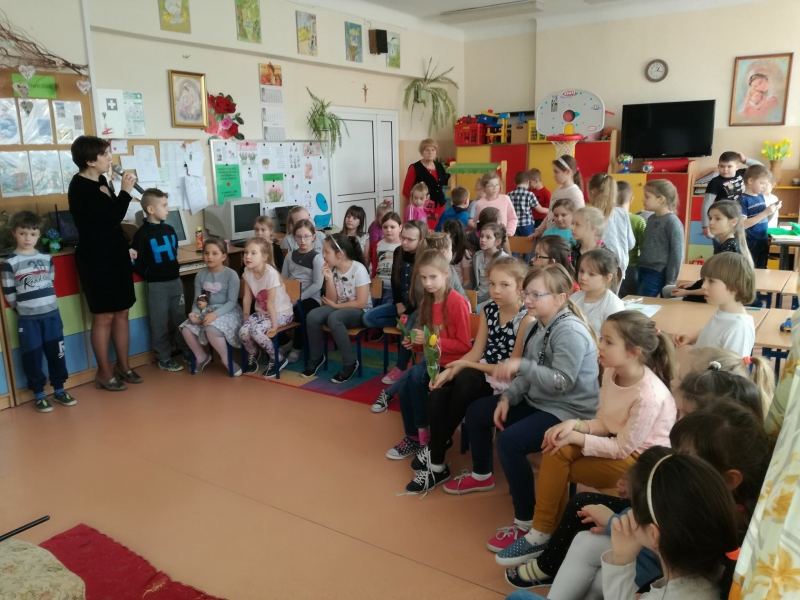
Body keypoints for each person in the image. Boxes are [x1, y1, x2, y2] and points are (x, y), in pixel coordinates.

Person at [506, 354, 772, 591]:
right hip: (644, 533)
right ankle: (546, 552)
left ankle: (546, 557)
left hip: (649, 561)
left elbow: (663, 537)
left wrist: (614, 522)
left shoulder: (711, 501)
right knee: (574, 488)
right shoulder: (704, 463)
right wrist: (636, 487)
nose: (677, 419)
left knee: (591, 554)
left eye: (684, 413)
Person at [444, 265, 599, 557]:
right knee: (478, 412)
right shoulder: (537, 325)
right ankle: (482, 474)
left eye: (536, 294)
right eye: (526, 293)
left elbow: (562, 382)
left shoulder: (569, 331)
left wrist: (522, 366)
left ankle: (526, 522)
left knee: (510, 442)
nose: (527, 299)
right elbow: (527, 374)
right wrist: (508, 398)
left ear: (560, 298)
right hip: (540, 400)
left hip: (568, 411)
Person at [501, 311, 676, 567]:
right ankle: (544, 533)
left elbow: (622, 448)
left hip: (641, 461)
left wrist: (578, 436)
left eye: (608, 341)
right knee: (556, 448)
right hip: (618, 443)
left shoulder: (648, 395)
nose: (599, 346)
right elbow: (605, 422)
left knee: (559, 466)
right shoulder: (611, 372)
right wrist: (576, 424)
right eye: (601, 339)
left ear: (633, 352)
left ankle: (544, 534)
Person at [406, 257, 532, 494]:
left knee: (466, 380)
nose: (496, 290)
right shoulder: (489, 309)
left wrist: (462, 366)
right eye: (492, 284)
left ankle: (435, 448)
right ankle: (437, 466)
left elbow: (510, 369)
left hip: (505, 379)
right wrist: (451, 369)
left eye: (504, 285)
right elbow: (476, 351)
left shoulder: (526, 318)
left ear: (520, 287)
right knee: (437, 394)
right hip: (481, 370)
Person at [600, 448, 740, 600]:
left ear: (654, 534)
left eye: (634, 507)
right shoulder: (717, 573)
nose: (630, 512)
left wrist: (621, 558)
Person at [68, 135, 142, 392]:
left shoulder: (101, 180)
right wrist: (125, 192)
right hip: (95, 258)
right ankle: (104, 372)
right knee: (104, 315)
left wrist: (126, 245)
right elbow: (109, 219)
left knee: (122, 311)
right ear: (90, 160)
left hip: (115, 253)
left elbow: (113, 226)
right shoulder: (80, 187)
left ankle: (124, 365)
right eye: (105, 154)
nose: (110, 158)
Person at [386, 250, 472, 462]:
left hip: (454, 366)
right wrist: (414, 343)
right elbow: (425, 344)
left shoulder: (457, 302)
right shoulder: (426, 302)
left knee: (414, 376)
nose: (428, 283)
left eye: (433, 277)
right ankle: (414, 437)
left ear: (446, 273)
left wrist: (430, 340)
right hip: (434, 363)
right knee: (405, 384)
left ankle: (424, 437)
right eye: (423, 278)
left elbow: (464, 346)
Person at [0, 211, 73, 412]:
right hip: (28, 320)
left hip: (52, 317)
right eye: (23, 233)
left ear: (39, 235)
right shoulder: (10, 263)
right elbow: (9, 292)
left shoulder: (46, 258)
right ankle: (39, 394)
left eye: (32, 234)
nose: (27, 238)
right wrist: (22, 309)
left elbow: (51, 280)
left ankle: (59, 389)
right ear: (14, 233)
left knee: (57, 354)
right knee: (32, 357)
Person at [130, 188, 187, 373]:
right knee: (159, 322)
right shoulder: (142, 234)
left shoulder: (169, 229)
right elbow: (135, 261)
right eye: (164, 205)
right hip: (157, 286)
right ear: (151, 209)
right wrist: (149, 272)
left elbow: (174, 251)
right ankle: (164, 357)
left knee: (181, 319)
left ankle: (186, 350)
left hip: (175, 282)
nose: (167, 209)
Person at [302, 233, 372, 383]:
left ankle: (350, 363)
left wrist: (336, 306)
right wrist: (328, 278)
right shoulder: (333, 269)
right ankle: (316, 357)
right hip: (339, 306)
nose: (323, 255)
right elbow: (332, 299)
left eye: (327, 252)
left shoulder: (359, 269)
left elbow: (361, 303)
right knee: (313, 316)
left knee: (334, 318)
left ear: (340, 254)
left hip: (360, 311)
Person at [363, 220, 426, 384]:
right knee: (369, 318)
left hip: (418, 308)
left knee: (407, 330)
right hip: (401, 305)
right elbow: (394, 279)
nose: (404, 242)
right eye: (403, 237)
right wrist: (398, 303)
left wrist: (406, 314)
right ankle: (402, 323)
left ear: (421, 240)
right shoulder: (398, 251)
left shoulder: (425, 257)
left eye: (410, 239)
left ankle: (401, 367)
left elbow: (422, 294)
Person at [180, 239, 244, 376]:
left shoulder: (231, 275)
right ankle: (202, 357)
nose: (209, 257)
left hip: (227, 311)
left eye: (215, 253)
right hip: (206, 310)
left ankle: (226, 360)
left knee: (211, 328)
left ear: (223, 256)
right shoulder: (200, 275)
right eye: (206, 253)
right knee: (186, 329)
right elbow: (197, 299)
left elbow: (231, 302)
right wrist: (194, 312)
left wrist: (215, 315)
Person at [673, 252, 756, 356]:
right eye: (704, 280)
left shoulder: (739, 329)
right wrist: (692, 337)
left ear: (735, 287)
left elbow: (733, 366)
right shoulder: (724, 313)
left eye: (711, 281)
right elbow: (715, 331)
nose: (703, 286)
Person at [670, 200, 752, 302]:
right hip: (710, 293)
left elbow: (718, 286)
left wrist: (687, 292)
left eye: (717, 218)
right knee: (668, 290)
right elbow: (714, 278)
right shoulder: (725, 244)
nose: (711, 222)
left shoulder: (729, 248)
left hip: (714, 299)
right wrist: (695, 283)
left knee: (669, 296)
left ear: (733, 222)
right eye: (710, 218)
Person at [239, 238, 293, 378]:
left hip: (281, 313)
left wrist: (274, 326)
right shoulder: (247, 271)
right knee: (243, 331)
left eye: (253, 253)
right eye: (246, 252)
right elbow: (247, 298)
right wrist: (246, 319)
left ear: (264, 257)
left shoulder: (271, 274)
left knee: (256, 331)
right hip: (263, 313)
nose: (248, 256)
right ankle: (253, 353)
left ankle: (278, 358)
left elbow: (271, 303)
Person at [281, 219, 324, 364]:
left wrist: (298, 298)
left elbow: (317, 285)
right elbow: (284, 279)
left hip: (311, 298)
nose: (302, 240)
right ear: (294, 237)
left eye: (306, 236)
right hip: (290, 296)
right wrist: (285, 298)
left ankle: (297, 347)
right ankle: (285, 342)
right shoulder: (289, 256)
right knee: (271, 309)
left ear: (313, 237)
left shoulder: (317, 257)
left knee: (302, 312)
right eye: (299, 237)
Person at [637, 180, 684, 297]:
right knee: (640, 300)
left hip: (657, 272)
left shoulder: (672, 222)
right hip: (643, 268)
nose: (643, 200)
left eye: (647, 196)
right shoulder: (651, 218)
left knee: (644, 302)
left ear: (661, 199)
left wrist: (671, 281)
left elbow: (677, 254)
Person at [701, 151, 762, 240]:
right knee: (724, 244)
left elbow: (760, 168)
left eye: (729, 166)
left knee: (740, 244)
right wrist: (705, 225)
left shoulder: (742, 173)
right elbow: (707, 204)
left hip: (742, 216)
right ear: (718, 166)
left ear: (737, 167)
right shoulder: (715, 182)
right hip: (725, 218)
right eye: (722, 166)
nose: (725, 169)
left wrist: (745, 160)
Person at [586, 173, 634, 283]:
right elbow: (631, 243)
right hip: (620, 266)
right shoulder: (622, 212)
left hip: (598, 265)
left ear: (592, 193)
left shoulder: (590, 215)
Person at [571, 249, 624, 338]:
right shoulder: (574, 298)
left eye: (591, 274)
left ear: (607, 278)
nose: (583, 277)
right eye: (581, 271)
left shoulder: (612, 304)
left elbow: (615, 338)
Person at [401, 138, 450, 231]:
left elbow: (442, 185)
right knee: (424, 233)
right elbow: (406, 191)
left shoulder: (439, 166)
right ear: (422, 152)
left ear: (436, 152)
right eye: (427, 150)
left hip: (439, 208)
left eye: (433, 150)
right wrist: (411, 210)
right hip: (422, 210)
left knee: (439, 232)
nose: (430, 152)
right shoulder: (415, 168)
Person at [533, 155, 585, 237]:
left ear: (567, 172)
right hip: (550, 235)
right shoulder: (557, 190)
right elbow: (550, 214)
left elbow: (580, 218)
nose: (554, 175)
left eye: (556, 172)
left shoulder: (575, 193)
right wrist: (539, 230)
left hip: (563, 238)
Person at [740, 164, 778, 269]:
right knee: (750, 268)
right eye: (762, 183)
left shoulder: (760, 196)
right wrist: (765, 213)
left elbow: (763, 219)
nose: (764, 186)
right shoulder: (743, 200)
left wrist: (772, 210)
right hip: (750, 241)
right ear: (750, 181)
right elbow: (742, 224)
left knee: (762, 268)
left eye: (766, 183)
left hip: (762, 239)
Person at [617, 181, 646, 298]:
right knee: (631, 299)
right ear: (631, 199)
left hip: (612, 265)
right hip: (631, 267)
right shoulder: (638, 220)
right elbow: (643, 247)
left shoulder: (607, 219)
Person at [472, 172, 518, 237]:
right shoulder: (479, 203)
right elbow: (477, 222)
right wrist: (481, 235)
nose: (495, 188)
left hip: (503, 236)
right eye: (491, 186)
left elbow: (512, 218)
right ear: (484, 188)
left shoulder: (505, 199)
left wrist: (509, 232)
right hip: (487, 238)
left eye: (497, 184)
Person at [473, 222, 509, 305]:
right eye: (481, 236)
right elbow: (475, 282)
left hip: (494, 299)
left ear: (497, 242)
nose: (483, 240)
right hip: (477, 296)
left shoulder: (504, 260)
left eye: (488, 237)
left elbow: (501, 287)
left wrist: (478, 301)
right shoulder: (477, 256)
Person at [372, 212, 402, 303]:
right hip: (377, 285)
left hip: (394, 288)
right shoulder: (377, 244)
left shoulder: (404, 245)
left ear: (400, 227)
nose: (388, 230)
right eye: (385, 227)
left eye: (392, 227)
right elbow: (374, 266)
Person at [509, 171, 546, 238]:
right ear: (527, 182)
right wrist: (550, 210)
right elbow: (540, 209)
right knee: (530, 242)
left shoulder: (509, 194)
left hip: (514, 225)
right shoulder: (530, 194)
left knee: (515, 243)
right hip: (527, 224)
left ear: (515, 183)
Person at [570, 207, 607, 274]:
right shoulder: (572, 252)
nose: (572, 228)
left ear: (593, 228)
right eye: (572, 223)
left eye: (577, 225)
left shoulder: (605, 256)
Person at [443, 219, 473, 289]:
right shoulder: (445, 250)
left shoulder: (464, 253)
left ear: (452, 236)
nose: (441, 236)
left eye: (444, 234)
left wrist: (461, 292)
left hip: (457, 289)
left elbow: (467, 279)